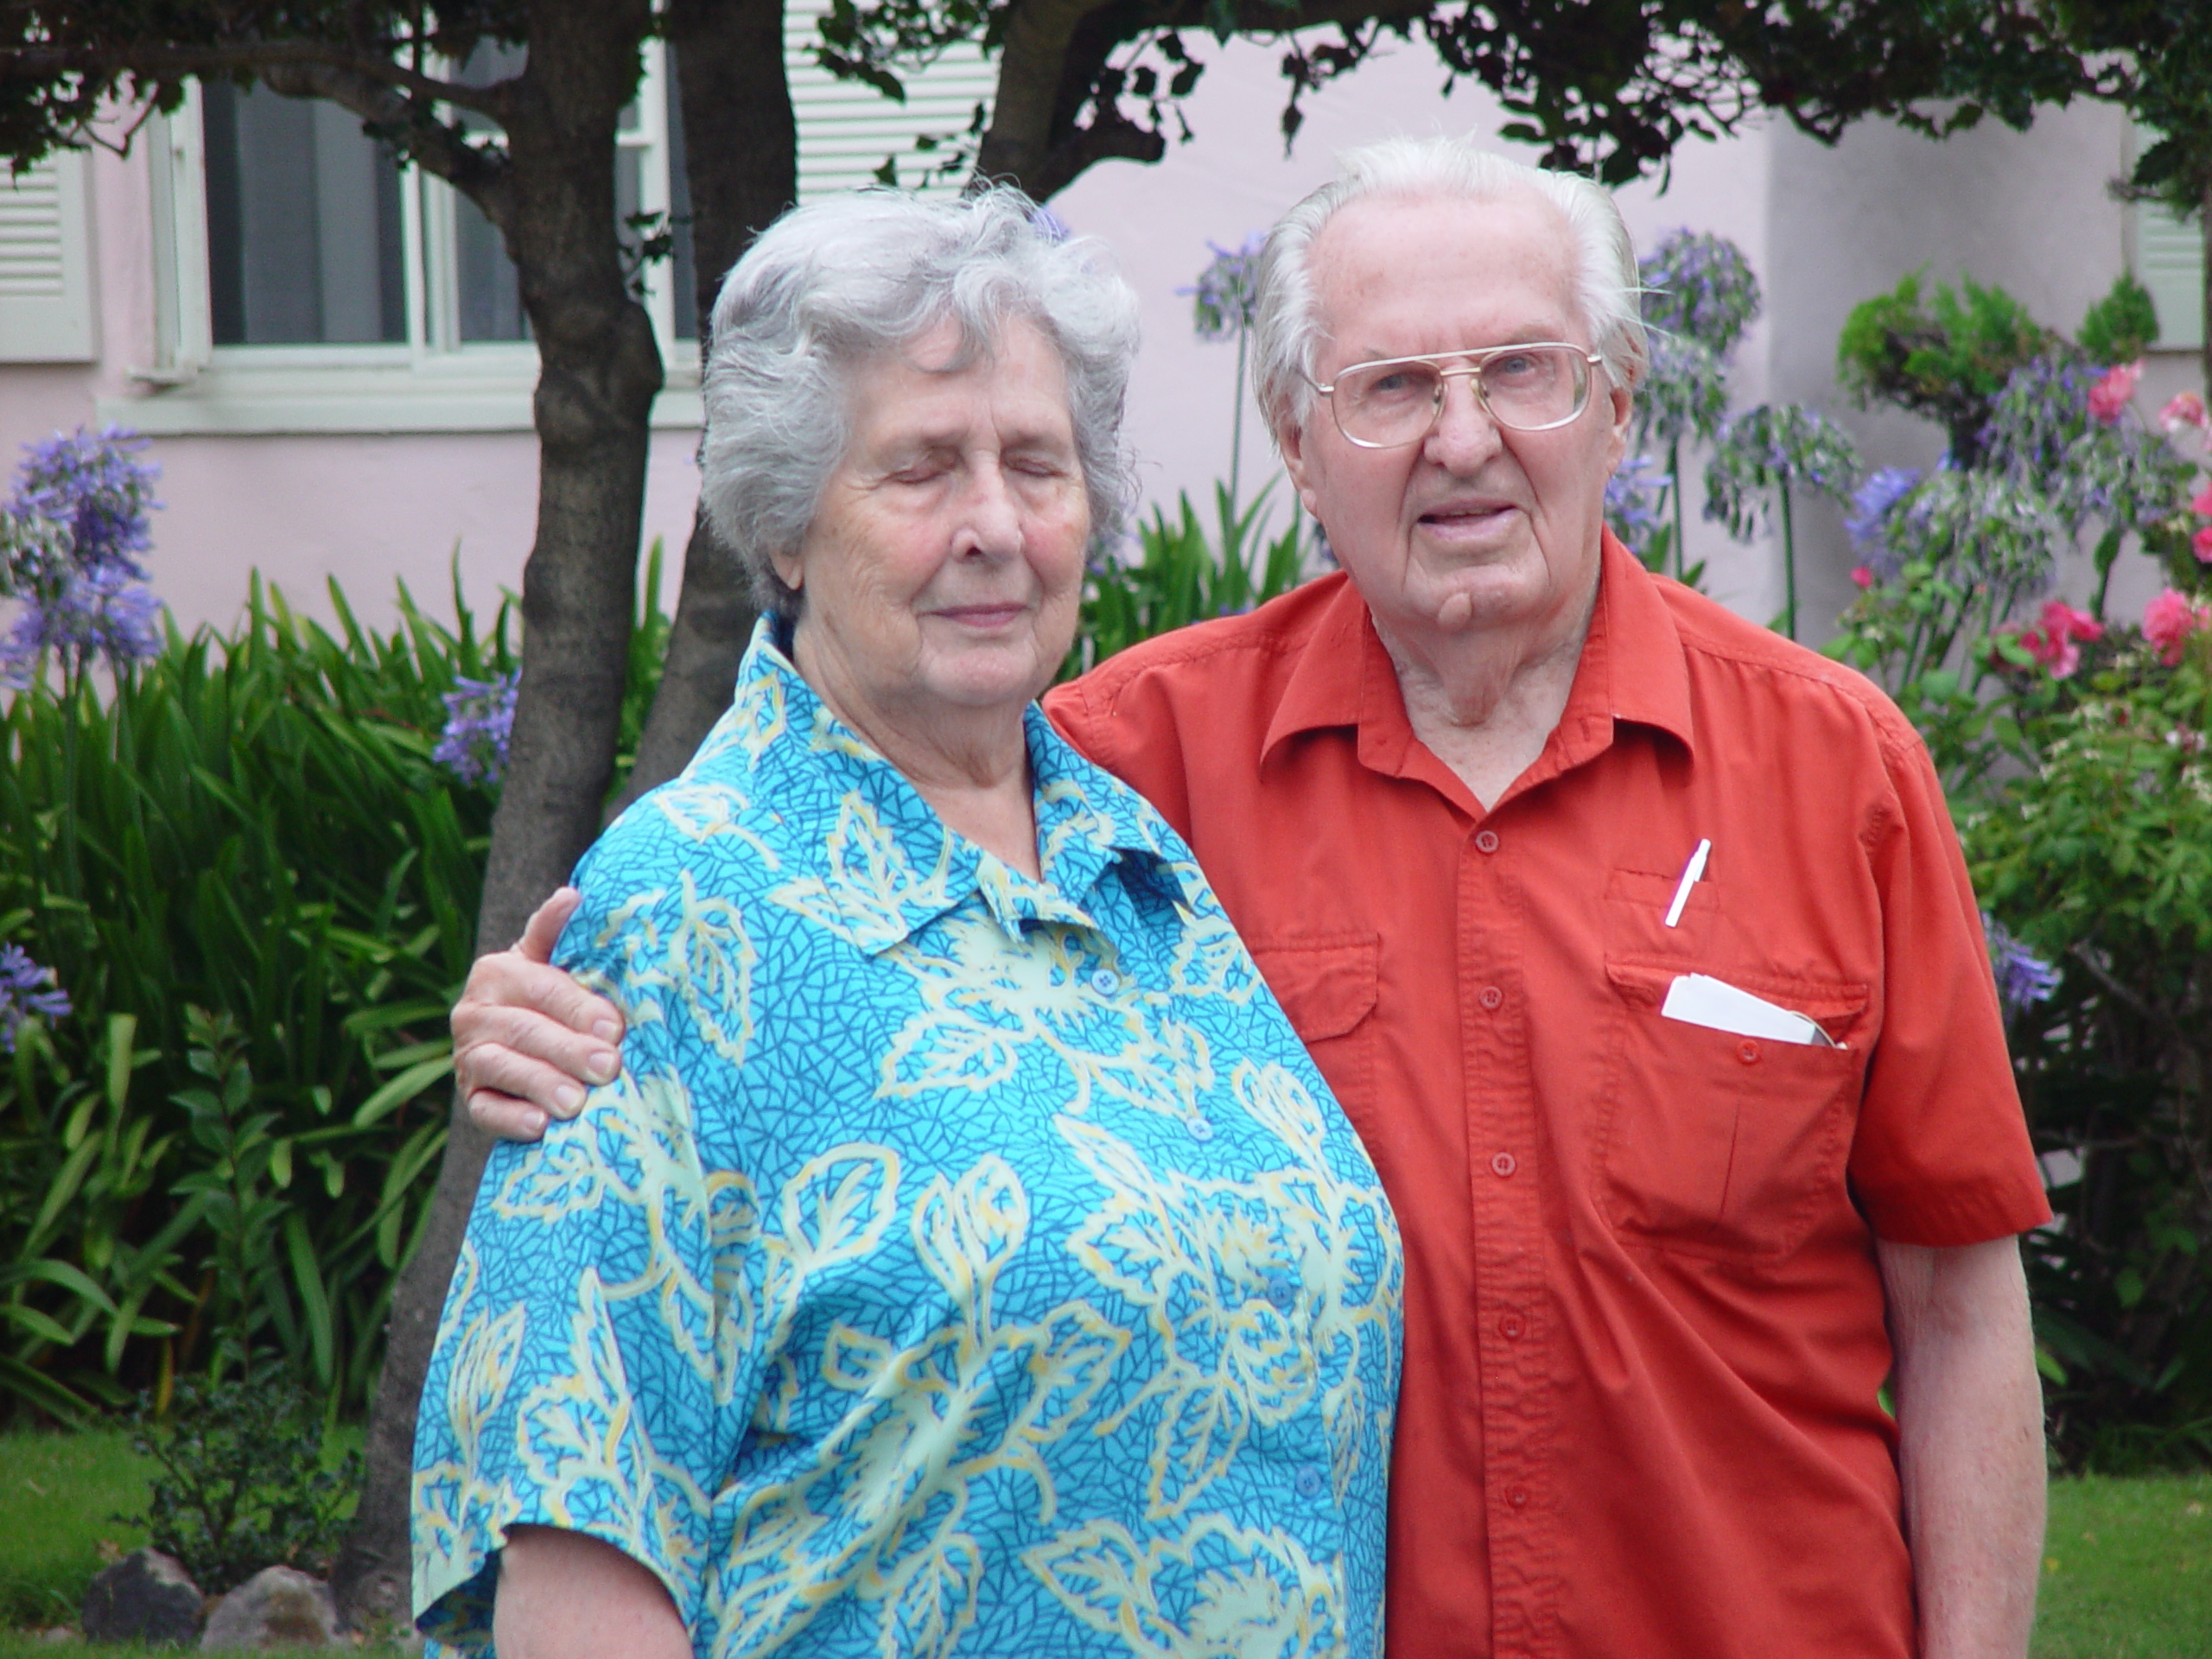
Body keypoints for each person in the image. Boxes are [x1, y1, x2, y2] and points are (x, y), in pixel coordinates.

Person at [454, 140, 2052, 1659]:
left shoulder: (1835, 771)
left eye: (1521, 371)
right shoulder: (1130, 781)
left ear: (1617, 401)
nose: (1465, 437)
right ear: (1296, 439)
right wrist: (549, 1012)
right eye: (1391, 390)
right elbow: (840, 801)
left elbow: (1961, 1305)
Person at [411, 188, 1404, 1659]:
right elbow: (577, 1509)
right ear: (788, 527)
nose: (995, 526)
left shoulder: (1141, 867)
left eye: (1036, 465)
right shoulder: (691, 911)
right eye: (922, 470)